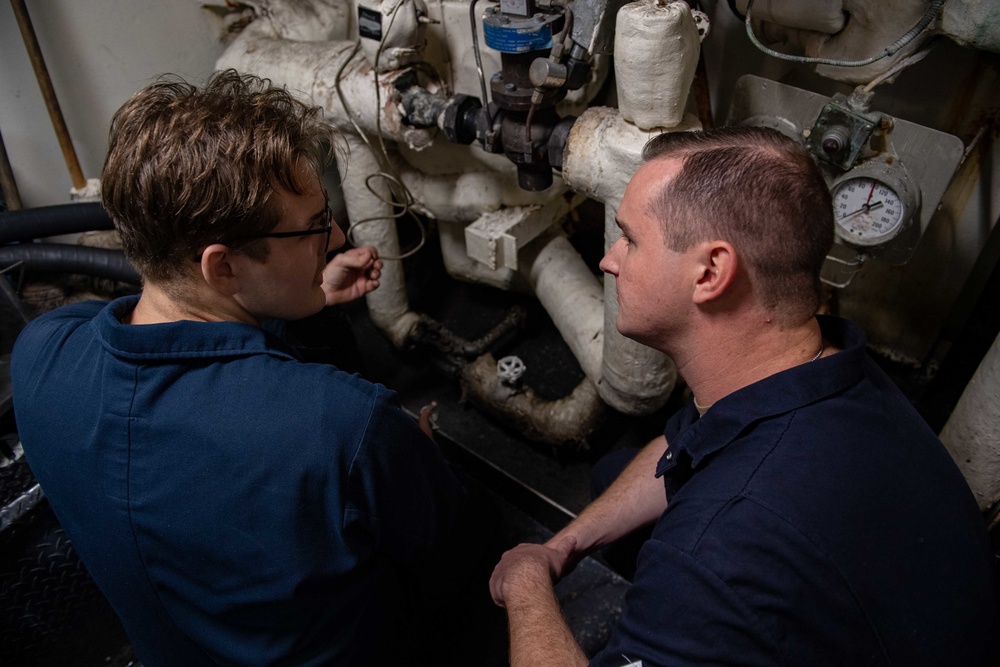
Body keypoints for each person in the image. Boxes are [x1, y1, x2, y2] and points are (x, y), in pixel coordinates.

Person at [489, 126, 1000, 666]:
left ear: (711, 272)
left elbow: (719, 541)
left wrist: (527, 583)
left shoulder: (718, 550)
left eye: (631, 239)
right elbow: (688, 441)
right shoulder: (828, 367)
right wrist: (562, 546)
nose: (609, 260)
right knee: (612, 475)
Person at [11, 70, 468, 666]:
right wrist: (412, 453)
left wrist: (296, 302)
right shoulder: (346, 428)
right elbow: (448, 552)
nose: (333, 236)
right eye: (310, 227)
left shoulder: (41, 352)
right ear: (223, 269)